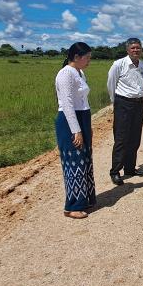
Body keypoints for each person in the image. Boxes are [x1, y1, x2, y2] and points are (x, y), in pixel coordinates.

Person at [55, 42, 96, 219]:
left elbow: (83, 101)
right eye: (87, 58)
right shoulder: (65, 74)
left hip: (83, 117)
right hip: (69, 121)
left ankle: (85, 199)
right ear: (77, 57)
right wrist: (76, 131)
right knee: (74, 162)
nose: (89, 61)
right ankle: (72, 206)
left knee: (85, 159)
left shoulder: (80, 73)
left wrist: (87, 126)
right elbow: (67, 105)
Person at [107, 38, 143, 185]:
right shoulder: (119, 64)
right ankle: (115, 171)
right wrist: (115, 102)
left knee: (135, 137)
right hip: (123, 103)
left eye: (138, 48)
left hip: (139, 103)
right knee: (121, 138)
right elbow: (111, 84)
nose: (136, 50)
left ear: (141, 49)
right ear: (127, 50)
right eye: (133, 48)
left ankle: (130, 168)